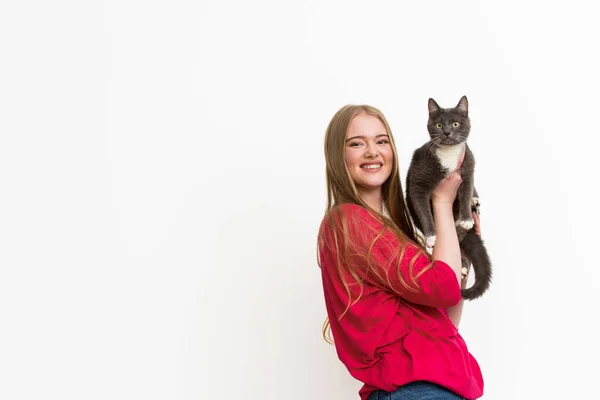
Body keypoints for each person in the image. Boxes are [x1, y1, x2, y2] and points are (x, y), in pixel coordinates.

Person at [317, 104, 484, 400]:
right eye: (357, 143)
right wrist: (442, 205)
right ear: (337, 155)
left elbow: (444, 321)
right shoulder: (349, 221)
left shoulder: (394, 233)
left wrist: (462, 251)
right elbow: (442, 289)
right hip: (415, 391)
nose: (372, 151)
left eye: (381, 141)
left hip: (433, 388)